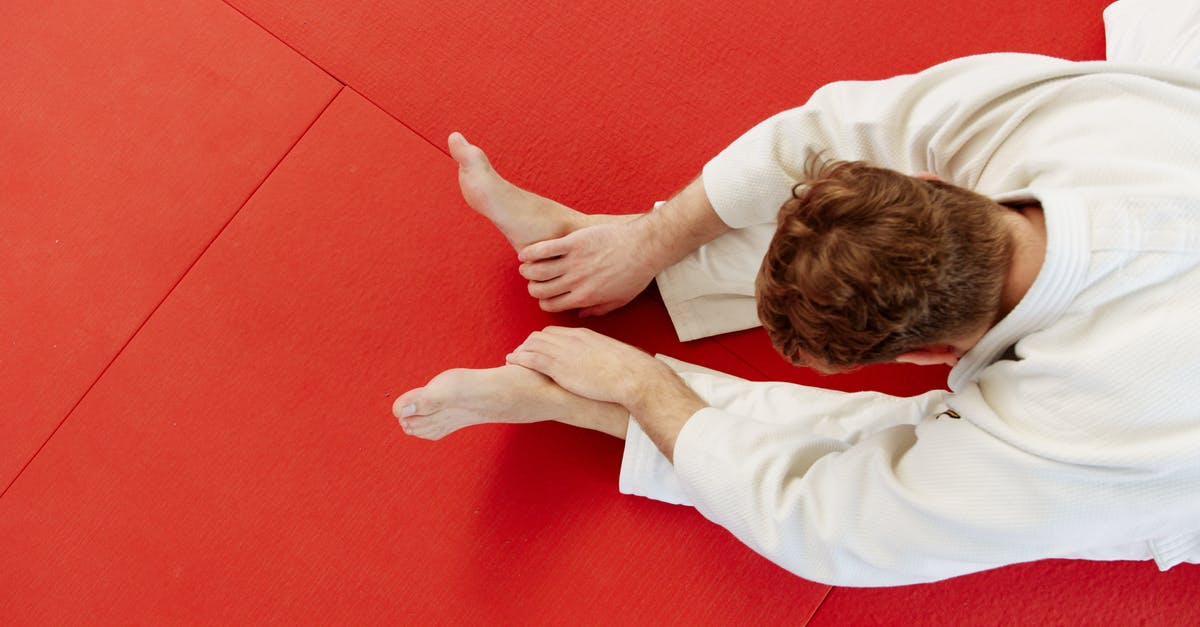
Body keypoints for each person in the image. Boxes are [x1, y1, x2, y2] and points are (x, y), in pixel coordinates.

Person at [395, 0, 1200, 585]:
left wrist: (648, 389)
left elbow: (837, 525)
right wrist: (648, 242)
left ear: (925, 355)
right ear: (928, 177)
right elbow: (828, 130)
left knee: (898, 442)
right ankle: (609, 246)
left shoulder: (1073, 433)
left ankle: (580, 398)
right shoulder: (1067, 116)